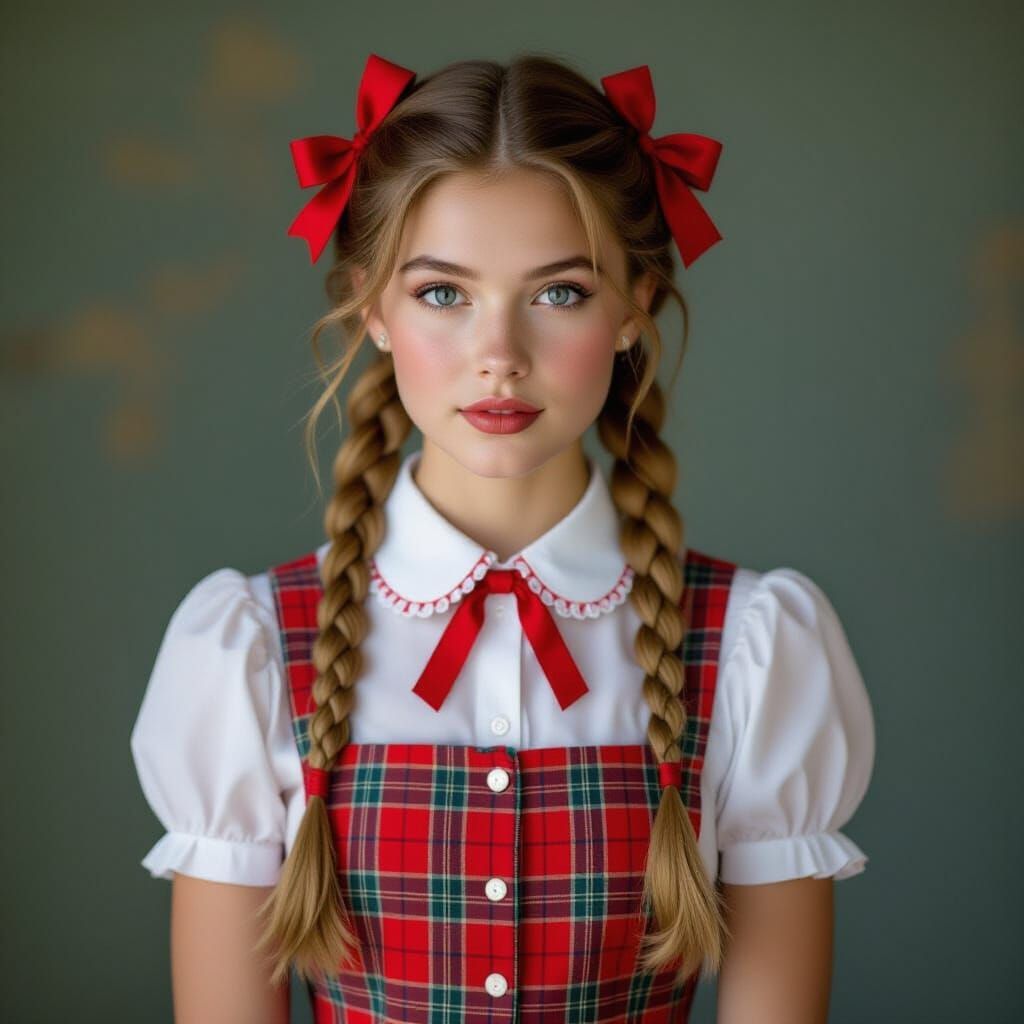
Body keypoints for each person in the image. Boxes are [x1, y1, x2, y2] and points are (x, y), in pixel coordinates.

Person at [130, 51, 875, 1024]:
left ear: (632, 303)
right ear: (372, 306)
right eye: (444, 292)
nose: (499, 357)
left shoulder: (751, 646)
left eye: (558, 291)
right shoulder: (253, 649)